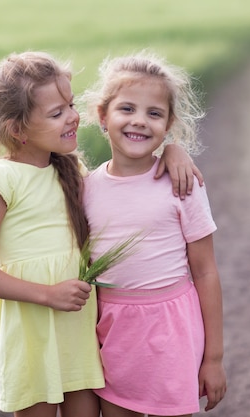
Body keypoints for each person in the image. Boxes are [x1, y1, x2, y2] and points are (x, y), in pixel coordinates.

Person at [0, 51, 202, 417]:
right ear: (17, 130)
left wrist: (174, 150)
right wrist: (47, 294)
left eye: (70, 104)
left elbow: (126, 189)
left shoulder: (74, 172)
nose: (73, 116)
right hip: (34, 334)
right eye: (57, 113)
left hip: (81, 330)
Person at [80, 51, 227, 417]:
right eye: (127, 109)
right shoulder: (83, 189)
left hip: (172, 334)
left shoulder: (182, 184)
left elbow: (206, 271)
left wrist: (214, 358)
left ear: (169, 125)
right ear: (102, 116)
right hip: (113, 336)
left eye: (154, 113)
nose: (140, 121)